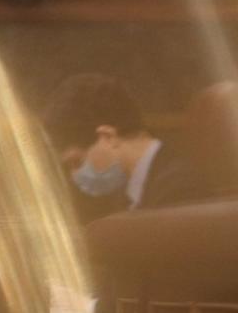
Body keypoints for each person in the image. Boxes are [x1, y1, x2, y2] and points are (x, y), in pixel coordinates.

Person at [41, 72, 206, 216]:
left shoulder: (180, 188)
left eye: (77, 162)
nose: (74, 176)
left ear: (107, 137)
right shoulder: (127, 192)